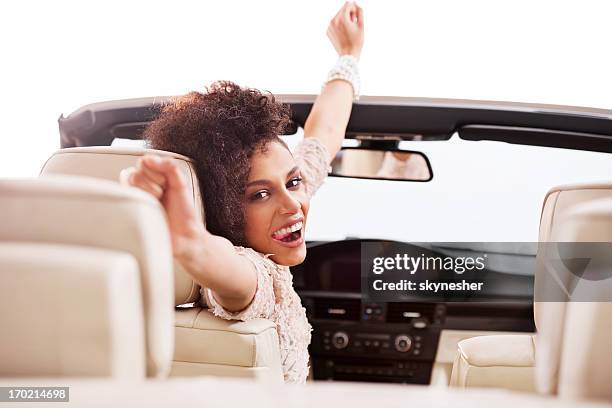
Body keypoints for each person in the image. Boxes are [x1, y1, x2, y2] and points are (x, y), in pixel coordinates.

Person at [120, 2, 364, 384]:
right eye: (259, 195)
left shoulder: (286, 207)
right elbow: (232, 278)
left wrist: (348, 57)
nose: (292, 205)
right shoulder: (258, 274)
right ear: (221, 209)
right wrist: (190, 241)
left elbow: (323, 136)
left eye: (293, 182)